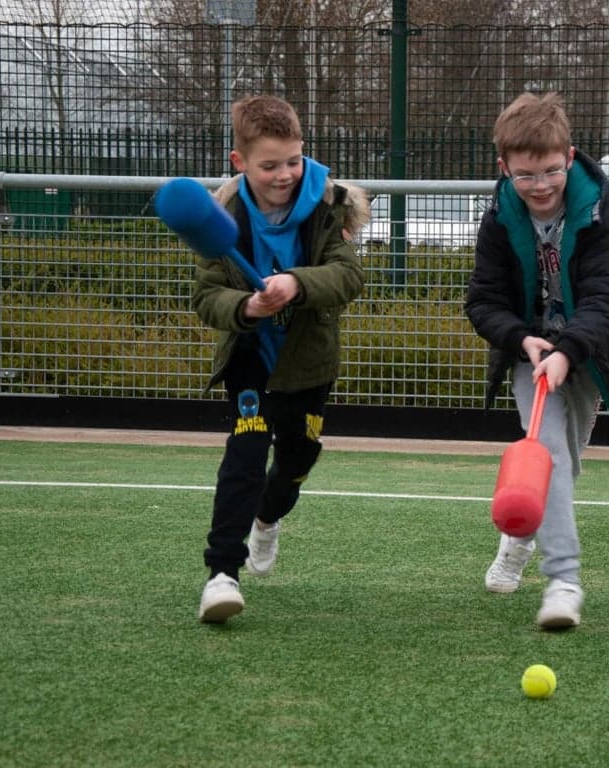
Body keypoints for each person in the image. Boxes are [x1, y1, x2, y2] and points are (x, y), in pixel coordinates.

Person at [192, 94, 368, 623]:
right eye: (270, 165)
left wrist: (296, 282)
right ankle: (222, 573)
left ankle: (268, 519)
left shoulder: (326, 205)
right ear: (239, 162)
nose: (285, 174)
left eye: (293, 160)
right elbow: (205, 297)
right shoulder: (220, 218)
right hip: (250, 358)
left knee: (295, 459)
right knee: (244, 454)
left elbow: (349, 276)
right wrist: (244, 305)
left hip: (307, 363)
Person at [465, 92, 609, 630]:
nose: (539, 186)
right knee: (547, 455)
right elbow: (482, 301)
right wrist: (523, 341)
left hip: (586, 355)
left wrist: (568, 351)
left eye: (550, 171)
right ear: (504, 169)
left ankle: (517, 537)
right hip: (529, 354)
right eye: (525, 176)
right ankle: (564, 581)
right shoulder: (497, 218)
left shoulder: (597, 212)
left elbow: (607, 297)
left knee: (566, 463)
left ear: (570, 156)